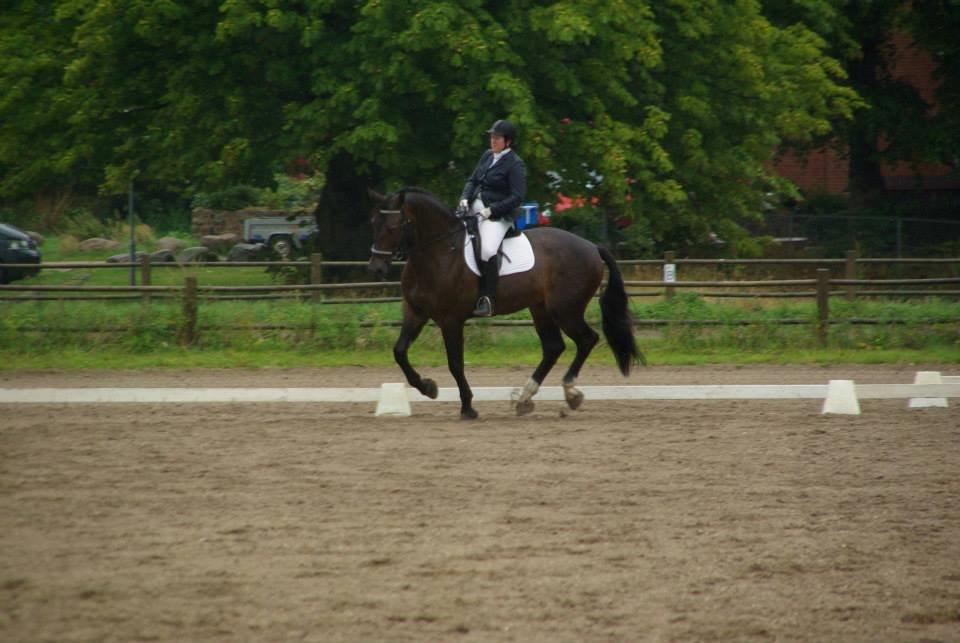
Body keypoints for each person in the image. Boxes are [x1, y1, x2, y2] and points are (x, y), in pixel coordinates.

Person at [458, 119, 527, 317]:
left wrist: (492, 210)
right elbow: (472, 180)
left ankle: (488, 298)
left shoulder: (515, 164)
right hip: (474, 206)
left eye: (497, 138)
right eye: (492, 137)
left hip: (498, 216)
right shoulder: (488, 155)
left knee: (487, 250)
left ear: (508, 141)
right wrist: (464, 198)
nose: (493, 140)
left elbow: (517, 197)